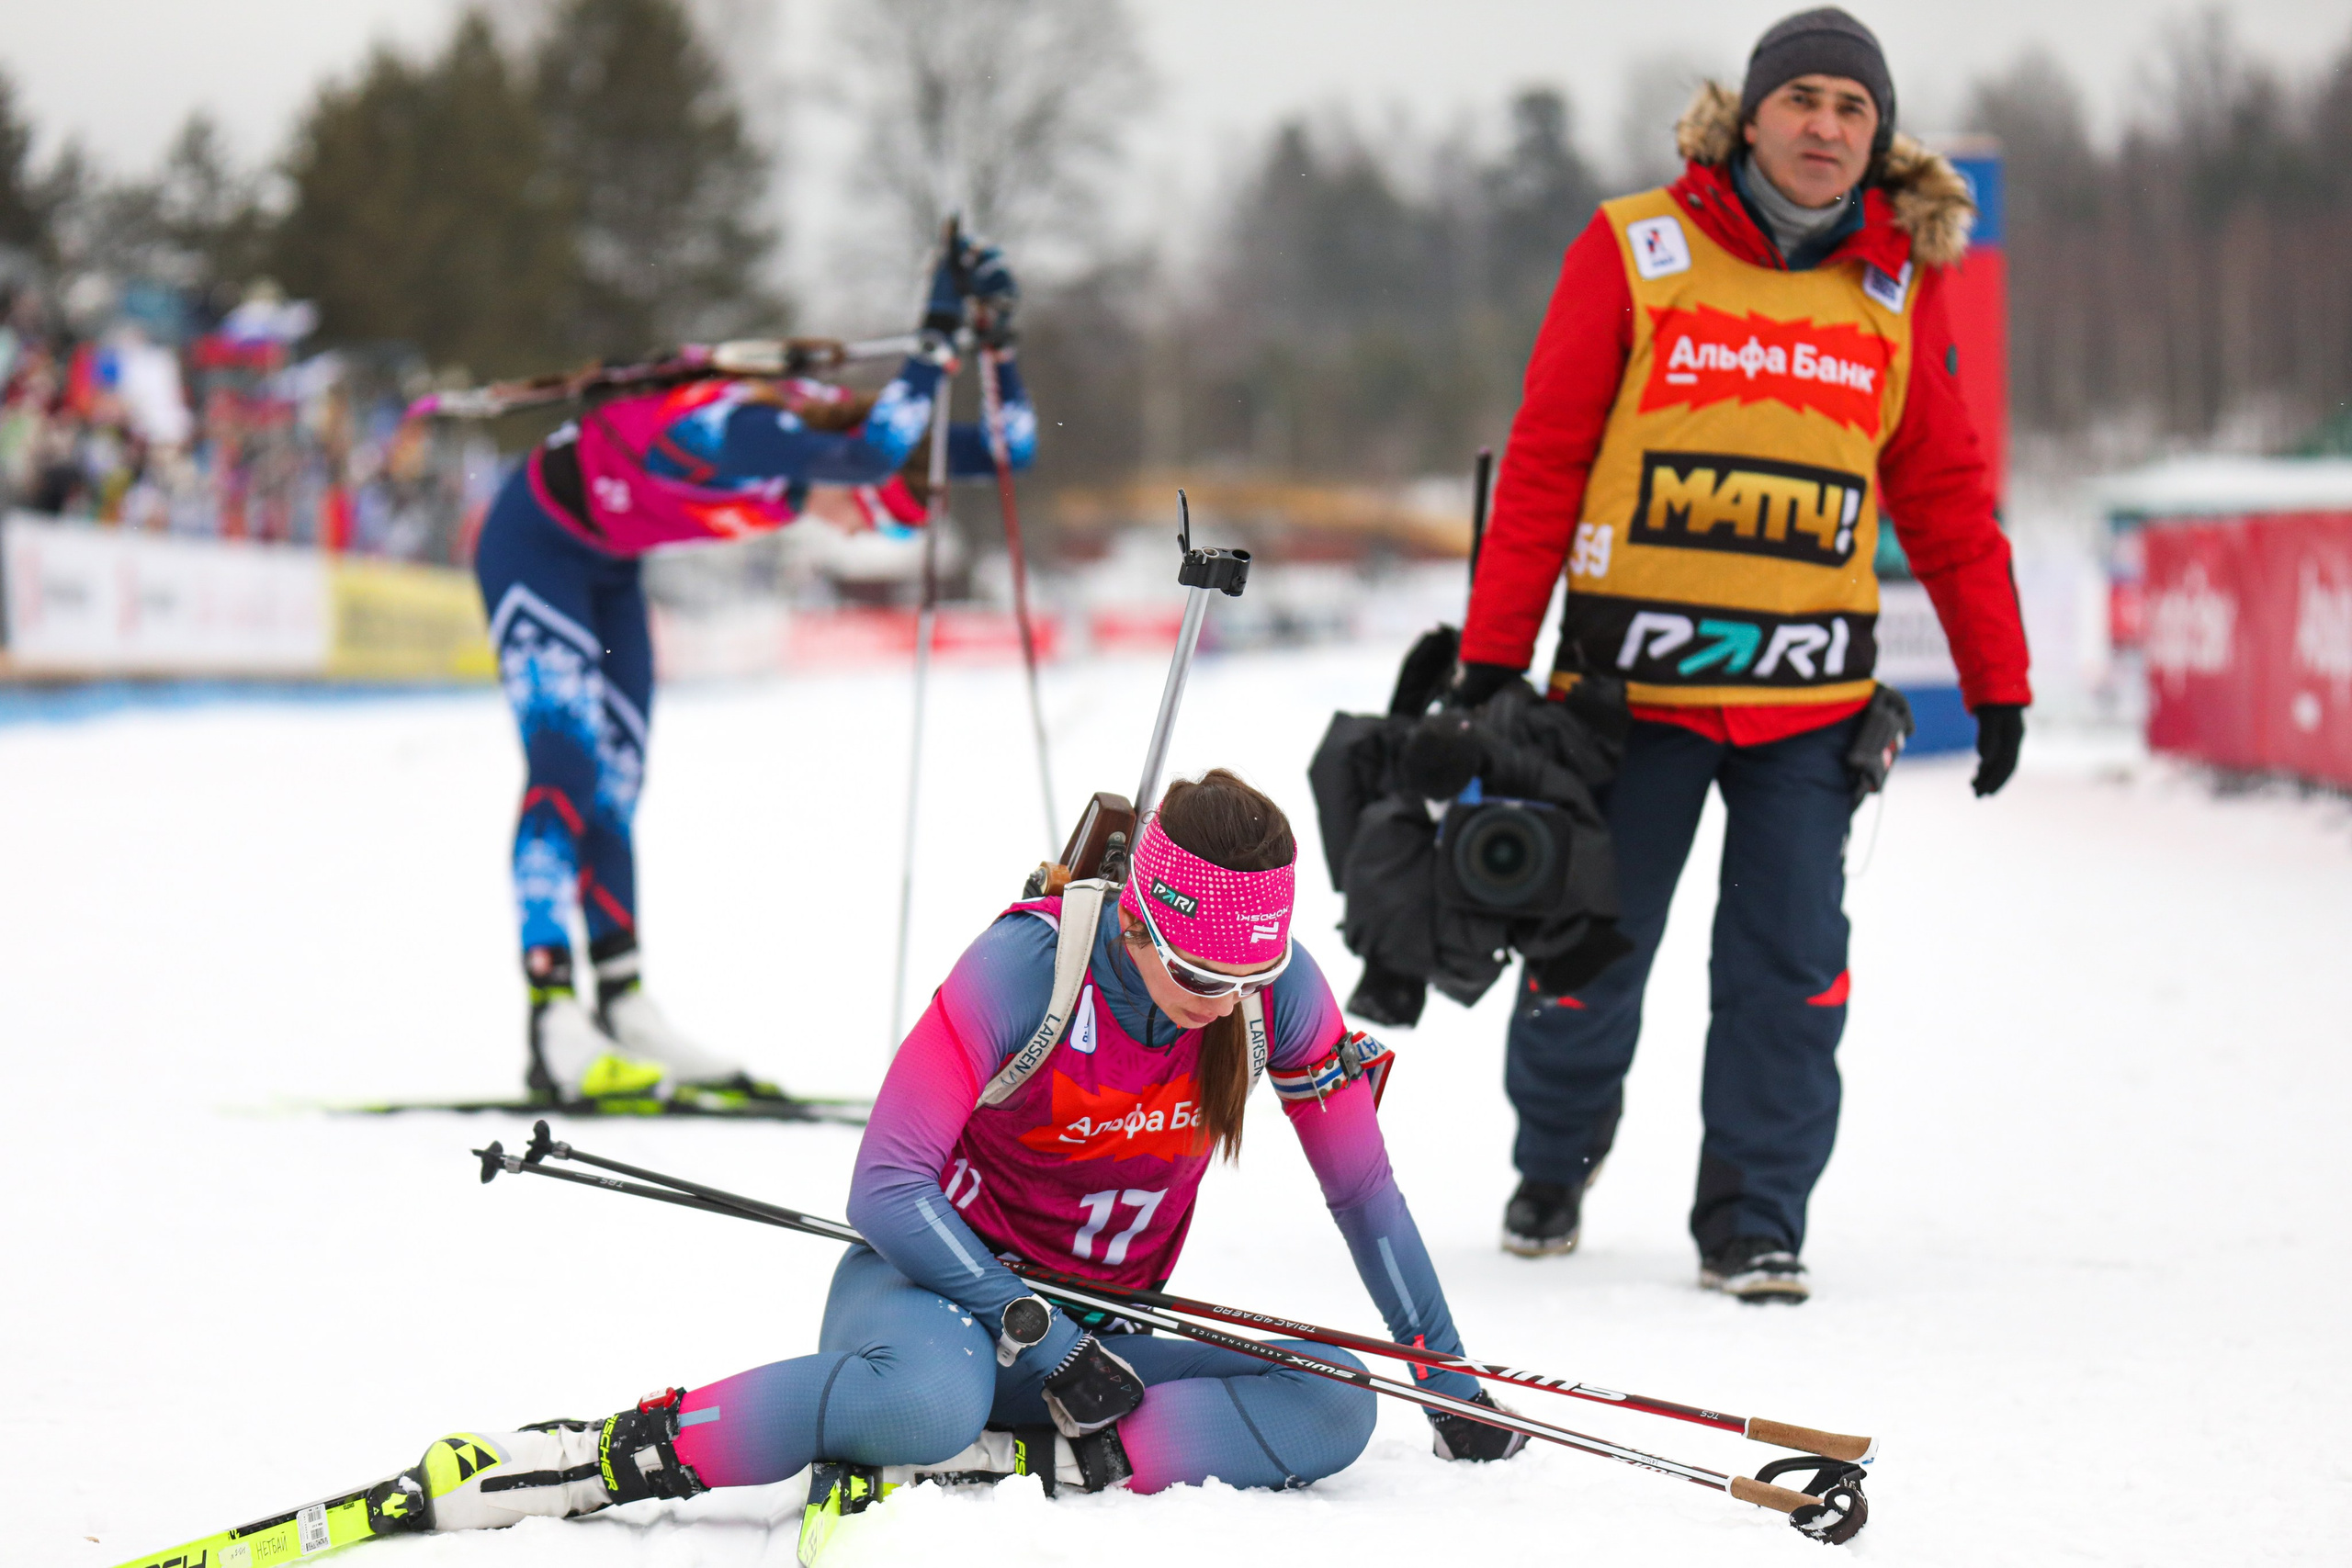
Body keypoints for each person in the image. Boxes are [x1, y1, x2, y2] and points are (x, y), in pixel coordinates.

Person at [365, 771, 1522, 1537]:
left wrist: (1451, 1383)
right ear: (1137, 922)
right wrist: (1040, 1333)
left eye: (1248, 981)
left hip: (1101, 1330)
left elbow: (1363, 1193)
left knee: (1334, 1403)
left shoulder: (1272, 996)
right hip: (931, 1295)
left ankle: (1008, 1464)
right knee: (925, 1400)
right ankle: (586, 1458)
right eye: (1197, 978)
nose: (1224, 1007)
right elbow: (884, 1182)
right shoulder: (1029, 968)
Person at [1455, 8, 2031, 1301]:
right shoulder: (1636, 248)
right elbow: (1547, 455)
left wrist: (1999, 679)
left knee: (1789, 971)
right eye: (1805, 99)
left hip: (1806, 715)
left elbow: (1942, 490)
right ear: (1750, 116)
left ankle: (1755, 1214)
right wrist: (1494, 655)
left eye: (1855, 108)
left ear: (1878, 138)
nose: (1828, 125)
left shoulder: (1895, 284)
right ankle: (1554, 1156)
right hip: (1625, 698)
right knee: (1582, 954)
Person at [474, 238, 1035, 1102]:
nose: (854, 534)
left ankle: (623, 1004)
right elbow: (872, 453)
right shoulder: (749, 429)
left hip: (611, 567)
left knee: (617, 786)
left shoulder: (831, 448)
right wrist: (932, 342)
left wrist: (995, 342)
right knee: (565, 767)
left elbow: (1009, 449)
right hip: (534, 542)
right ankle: (552, 1014)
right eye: (869, 521)